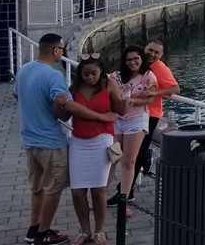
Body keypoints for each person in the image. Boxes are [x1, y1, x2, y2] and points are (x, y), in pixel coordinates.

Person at [15, 33, 116, 245]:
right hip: (51, 141)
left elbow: (18, 95)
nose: (61, 54)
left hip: (29, 140)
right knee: (53, 189)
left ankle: (33, 229)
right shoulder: (54, 76)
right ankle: (42, 234)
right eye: (61, 50)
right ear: (55, 50)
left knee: (37, 188)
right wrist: (100, 116)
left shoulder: (23, 70)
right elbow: (68, 106)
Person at [68, 54, 126, 245]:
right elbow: (64, 113)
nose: (90, 77)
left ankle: (99, 231)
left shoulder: (109, 84)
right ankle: (85, 231)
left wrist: (126, 97)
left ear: (101, 71)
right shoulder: (75, 87)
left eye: (94, 73)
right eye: (86, 74)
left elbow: (121, 111)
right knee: (77, 192)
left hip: (101, 141)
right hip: (78, 142)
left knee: (98, 190)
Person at [116, 39, 179, 204]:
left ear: (161, 55)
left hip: (150, 114)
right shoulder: (138, 64)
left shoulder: (159, 68)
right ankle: (145, 158)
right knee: (128, 153)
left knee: (134, 157)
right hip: (129, 115)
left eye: (156, 52)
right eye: (150, 50)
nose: (152, 54)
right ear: (145, 48)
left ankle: (126, 193)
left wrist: (154, 93)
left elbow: (175, 88)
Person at [107, 45, 156, 218]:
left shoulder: (148, 76)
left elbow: (151, 99)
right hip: (118, 119)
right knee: (112, 158)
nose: (133, 62)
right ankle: (99, 197)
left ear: (141, 58)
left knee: (128, 162)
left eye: (136, 58)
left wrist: (132, 101)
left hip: (136, 120)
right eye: (129, 59)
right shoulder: (116, 76)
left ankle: (124, 202)